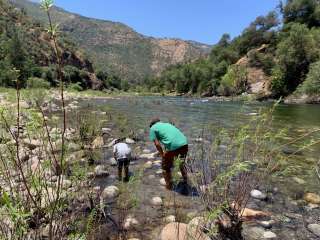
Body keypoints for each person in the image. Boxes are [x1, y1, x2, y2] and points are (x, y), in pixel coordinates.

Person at [149, 118, 188, 190]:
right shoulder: (167, 124)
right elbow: (170, 138)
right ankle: (186, 182)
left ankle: (169, 187)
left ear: (152, 125)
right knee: (181, 163)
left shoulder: (152, 128)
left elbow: (157, 144)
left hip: (173, 146)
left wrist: (162, 154)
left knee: (165, 167)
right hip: (184, 143)